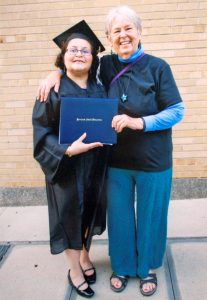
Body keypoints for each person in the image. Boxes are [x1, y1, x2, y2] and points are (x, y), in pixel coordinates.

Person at [36, 5, 184, 297]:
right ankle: (124, 266)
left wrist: (138, 122)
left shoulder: (159, 67)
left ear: (140, 33)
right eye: (116, 31)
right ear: (108, 37)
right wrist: (54, 73)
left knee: (151, 216)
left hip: (154, 159)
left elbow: (177, 111)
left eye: (129, 28)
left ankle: (147, 268)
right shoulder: (105, 65)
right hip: (115, 160)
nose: (123, 35)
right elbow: (77, 65)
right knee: (120, 217)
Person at [32, 20, 109, 298]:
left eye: (85, 50)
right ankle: (74, 270)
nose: (79, 54)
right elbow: (41, 133)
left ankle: (85, 257)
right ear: (63, 56)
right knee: (69, 218)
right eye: (72, 49)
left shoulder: (102, 84)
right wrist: (66, 150)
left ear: (93, 57)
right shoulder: (51, 90)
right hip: (66, 168)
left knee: (89, 213)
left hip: (96, 166)